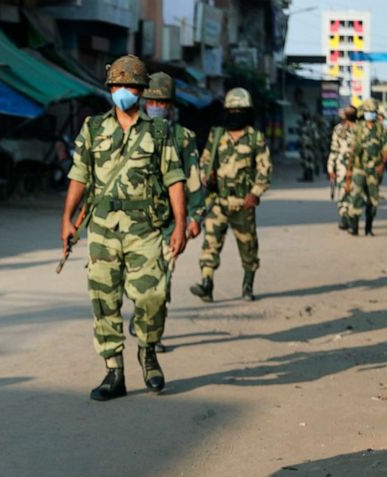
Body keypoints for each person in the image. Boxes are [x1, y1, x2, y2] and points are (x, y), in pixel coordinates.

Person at [60, 55, 187, 401]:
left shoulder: (158, 132)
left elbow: (175, 179)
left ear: (141, 90)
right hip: (101, 228)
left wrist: (179, 224)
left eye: (130, 86)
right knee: (104, 299)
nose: (123, 91)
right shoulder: (93, 128)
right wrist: (67, 219)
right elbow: (78, 175)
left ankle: (148, 351)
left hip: (144, 228)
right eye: (118, 85)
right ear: (110, 89)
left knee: (152, 295)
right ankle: (113, 371)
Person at [137, 71, 206, 353]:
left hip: (168, 223)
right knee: (137, 282)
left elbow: (193, 178)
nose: (155, 106)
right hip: (135, 223)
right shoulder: (130, 131)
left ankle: (152, 337)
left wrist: (195, 216)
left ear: (171, 105)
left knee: (162, 282)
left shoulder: (182, 137)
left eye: (161, 102)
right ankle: (143, 320)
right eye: (151, 101)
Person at [190, 87, 271, 302]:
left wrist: (255, 193)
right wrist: (206, 177)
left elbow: (265, 169)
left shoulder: (255, 138)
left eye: (240, 110)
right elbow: (205, 161)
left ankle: (248, 283)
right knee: (210, 244)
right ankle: (206, 283)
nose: (235, 114)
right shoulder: (217, 136)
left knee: (248, 246)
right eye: (232, 110)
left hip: (243, 202)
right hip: (218, 201)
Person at [341, 98, 387, 236]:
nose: (371, 114)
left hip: (374, 170)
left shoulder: (381, 129)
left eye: (373, 112)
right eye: (369, 112)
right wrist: (349, 170)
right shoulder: (359, 128)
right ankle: (354, 227)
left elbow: (386, 149)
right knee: (356, 197)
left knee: (373, 200)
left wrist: (382, 165)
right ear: (364, 112)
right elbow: (353, 150)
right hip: (359, 168)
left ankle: (369, 228)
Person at [327, 106, 357, 227]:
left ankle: (352, 216)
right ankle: (345, 217)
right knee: (343, 191)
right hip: (341, 166)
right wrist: (330, 167)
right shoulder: (338, 129)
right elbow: (334, 149)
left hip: (357, 165)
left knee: (355, 192)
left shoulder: (360, 129)